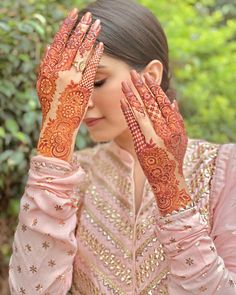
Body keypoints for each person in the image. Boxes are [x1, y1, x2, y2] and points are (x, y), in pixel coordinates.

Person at [8, 0, 236, 294]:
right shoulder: (66, 177)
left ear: (150, 76)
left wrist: (172, 194)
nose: (82, 102)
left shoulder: (223, 166)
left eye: (98, 82)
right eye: (74, 85)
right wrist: (56, 141)